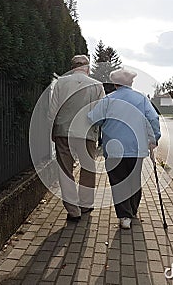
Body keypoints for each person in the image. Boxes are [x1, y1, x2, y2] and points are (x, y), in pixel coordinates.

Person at [88, 68, 161, 229]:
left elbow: (93, 118)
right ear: (130, 83)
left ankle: (124, 216)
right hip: (136, 148)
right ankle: (132, 210)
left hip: (114, 149)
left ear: (115, 83)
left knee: (118, 182)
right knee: (134, 180)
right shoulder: (141, 98)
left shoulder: (108, 100)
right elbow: (153, 118)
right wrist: (154, 138)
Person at [48, 55, 105, 222]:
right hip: (87, 133)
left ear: (72, 67)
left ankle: (73, 210)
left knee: (65, 170)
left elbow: (52, 111)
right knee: (88, 168)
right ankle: (85, 205)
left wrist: (53, 131)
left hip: (63, 131)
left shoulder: (60, 83)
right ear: (87, 67)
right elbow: (101, 111)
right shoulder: (97, 85)